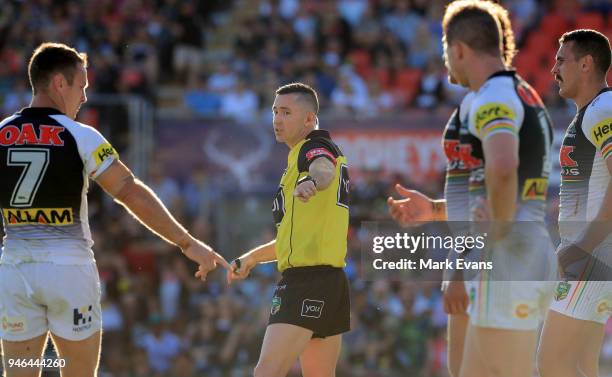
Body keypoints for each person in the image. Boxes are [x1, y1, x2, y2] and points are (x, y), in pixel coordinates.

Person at [0, 42, 229, 377]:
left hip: (15, 270)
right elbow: (129, 192)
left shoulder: (2, 133)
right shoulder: (80, 135)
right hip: (69, 271)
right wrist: (186, 242)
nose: (85, 97)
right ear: (59, 84)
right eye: (81, 86)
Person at [387, 2, 518, 376]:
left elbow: (502, 180)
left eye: (445, 47)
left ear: (459, 49)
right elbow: (481, 193)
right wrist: (434, 209)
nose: (444, 59)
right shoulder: (475, 104)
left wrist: (461, 270)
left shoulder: (496, 102)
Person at [227, 82, 350, 377]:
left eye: (286, 112)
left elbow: (323, 166)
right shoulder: (297, 157)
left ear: (309, 119)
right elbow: (291, 239)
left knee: (267, 371)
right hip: (330, 280)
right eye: (274, 112)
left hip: (306, 281)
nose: (277, 120)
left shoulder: (313, 146)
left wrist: (313, 181)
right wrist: (252, 259)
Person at [538, 29, 612, 377]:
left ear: (586, 64)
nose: (553, 70)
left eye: (561, 60)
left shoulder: (603, 108)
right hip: (595, 253)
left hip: (595, 255)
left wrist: (583, 245)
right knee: (583, 365)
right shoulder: (590, 112)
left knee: (551, 363)